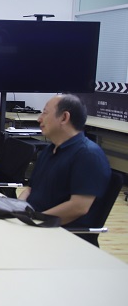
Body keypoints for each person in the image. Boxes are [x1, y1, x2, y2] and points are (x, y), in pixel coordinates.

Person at [18, 94, 111, 227]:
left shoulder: (88, 155)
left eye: (45, 113)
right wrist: (16, 209)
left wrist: (35, 221)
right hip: (34, 222)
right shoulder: (49, 150)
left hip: (57, 230)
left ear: (64, 117)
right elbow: (30, 190)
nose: (39, 119)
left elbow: (78, 207)